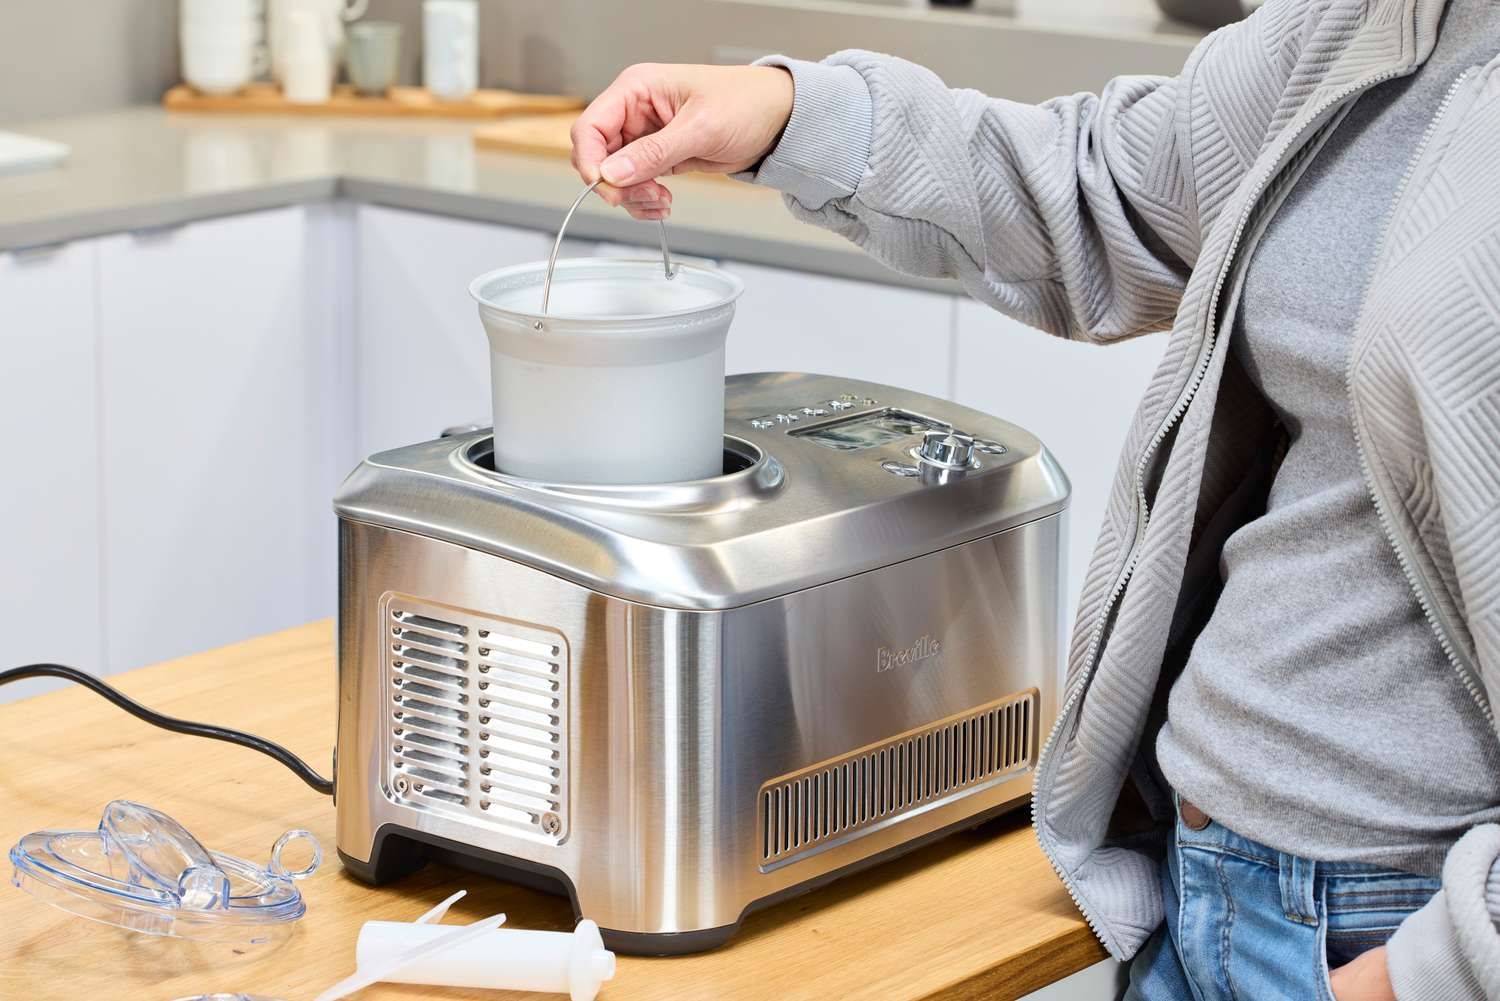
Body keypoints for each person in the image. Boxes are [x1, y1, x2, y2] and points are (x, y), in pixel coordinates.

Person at [569, 0, 1500, 998]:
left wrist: (1428, 971)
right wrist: (792, 113)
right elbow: (1100, 188)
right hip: (1208, 882)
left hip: (1393, 930)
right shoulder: (1385, 22)